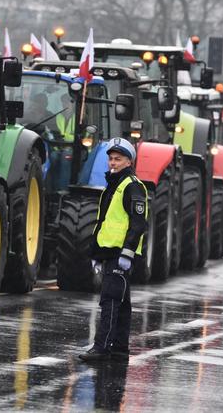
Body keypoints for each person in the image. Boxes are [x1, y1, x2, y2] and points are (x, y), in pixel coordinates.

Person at [79, 137, 147, 362]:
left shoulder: (132, 186)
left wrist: (128, 252)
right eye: (110, 159)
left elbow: (138, 223)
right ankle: (119, 348)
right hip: (110, 253)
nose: (112, 163)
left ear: (129, 162)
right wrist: (96, 253)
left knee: (109, 300)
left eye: (118, 159)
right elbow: (105, 223)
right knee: (122, 302)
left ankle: (102, 347)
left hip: (121, 254)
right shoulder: (113, 185)